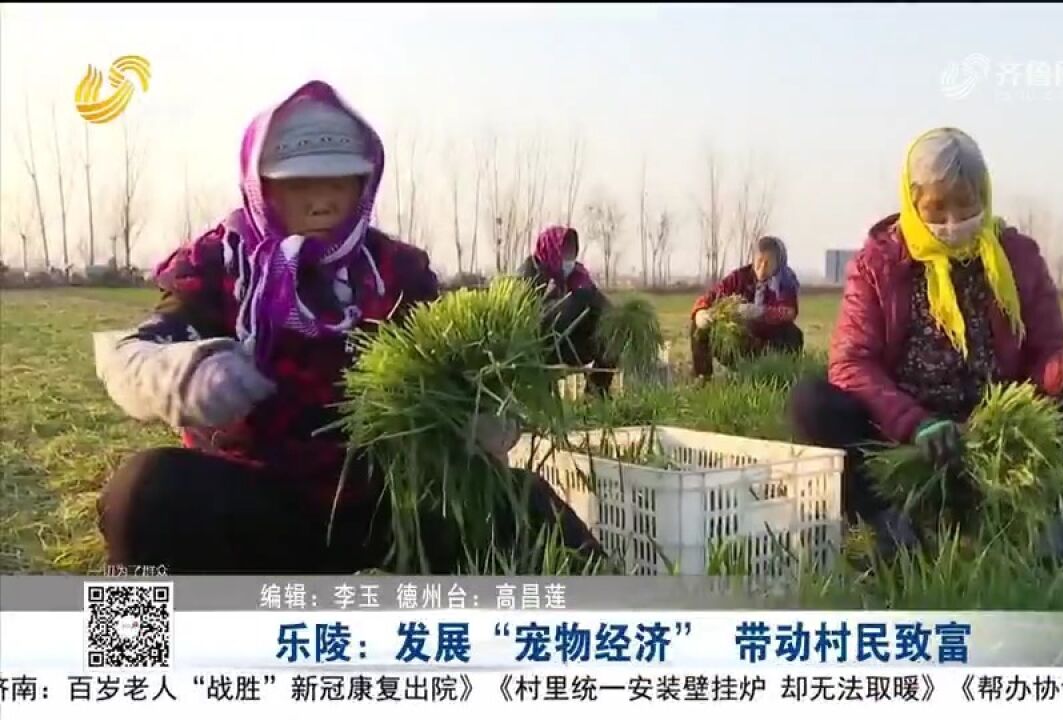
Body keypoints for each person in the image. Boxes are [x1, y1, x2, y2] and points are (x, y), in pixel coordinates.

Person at [93, 80, 603, 574]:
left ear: (365, 184)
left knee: (521, 504)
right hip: (259, 505)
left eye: (338, 181)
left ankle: (637, 635)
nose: (322, 201)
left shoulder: (396, 271)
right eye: (298, 184)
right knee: (146, 492)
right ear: (261, 186)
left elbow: (457, 367)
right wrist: (185, 375)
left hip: (386, 502)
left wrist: (482, 415)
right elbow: (138, 350)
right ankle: (136, 657)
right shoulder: (220, 264)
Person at [788, 128, 1063, 569]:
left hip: (997, 433)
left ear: (985, 196)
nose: (952, 220)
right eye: (937, 207)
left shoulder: (1017, 257)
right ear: (912, 200)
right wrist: (915, 424)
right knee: (812, 402)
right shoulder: (879, 262)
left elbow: (1043, 361)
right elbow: (852, 362)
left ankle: (1061, 535)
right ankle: (890, 530)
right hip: (906, 436)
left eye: (966, 205)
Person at [518, 225, 616, 397]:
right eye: (565, 253)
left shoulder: (576, 276)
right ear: (552, 249)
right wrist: (575, 301)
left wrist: (616, 318)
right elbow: (540, 321)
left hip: (566, 342)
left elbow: (599, 302)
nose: (568, 260)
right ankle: (543, 404)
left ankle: (595, 395)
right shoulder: (529, 275)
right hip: (538, 347)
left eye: (571, 253)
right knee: (581, 300)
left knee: (612, 337)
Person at [690, 236, 804, 380]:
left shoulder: (786, 282)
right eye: (759, 262)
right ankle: (703, 378)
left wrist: (760, 312)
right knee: (699, 326)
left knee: (793, 334)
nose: (762, 269)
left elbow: (789, 312)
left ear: (779, 264)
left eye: (768, 264)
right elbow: (711, 296)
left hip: (767, 346)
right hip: (740, 343)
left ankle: (778, 376)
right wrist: (700, 311)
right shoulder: (739, 277)